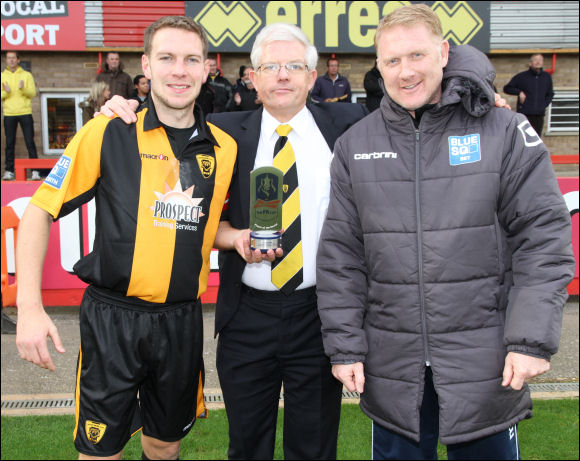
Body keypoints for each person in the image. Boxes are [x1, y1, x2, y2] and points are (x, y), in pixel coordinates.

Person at [100, 26, 509, 460]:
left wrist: (480, 100)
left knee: (314, 447)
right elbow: (188, 197)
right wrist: (123, 105)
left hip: (321, 316)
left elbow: (421, 87)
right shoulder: (218, 134)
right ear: (252, 78)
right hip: (246, 319)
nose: (282, 76)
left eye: (294, 66)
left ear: (312, 77)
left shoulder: (355, 126)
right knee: (246, 446)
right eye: (270, 67)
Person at [316, 5, 575, 461]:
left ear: (443, 52)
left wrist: (529, 340)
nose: (405, 72)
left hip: (487, 366)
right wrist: (344, 347)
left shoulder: (504, 130)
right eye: (391, 61)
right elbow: (341, 258)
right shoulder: (356, 146)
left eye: (416, 55)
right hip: (393, 369)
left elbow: (543, 240)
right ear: (377, 67)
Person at [15, 15, 237, 460]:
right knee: (101, 451)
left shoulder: (223, 147)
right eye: (167, 58)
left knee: (164, 445)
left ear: (207, 67)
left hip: (181, 322)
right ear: (147, 66)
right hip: (113, 320)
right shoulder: (108, 130)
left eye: (191, 59)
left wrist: (236, 239)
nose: (180, 70)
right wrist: (29, 307)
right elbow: (38, 213)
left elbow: (202, 229)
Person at [1, 51, 40, 181]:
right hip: (9, 113)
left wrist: (23, 88)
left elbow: (33, 93)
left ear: (18, 60)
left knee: (30, 142)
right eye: (9, 58)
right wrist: (5, 92)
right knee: (9, 143)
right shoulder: (2, 76)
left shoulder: (26, 75)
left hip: (25, 112)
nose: (11, 60)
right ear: (6, 60)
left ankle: (35, 171)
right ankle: (9, 171)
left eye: (13, 58)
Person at [503, 54, 554, 137]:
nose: (538, 62)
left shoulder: (546, 77)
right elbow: (507, 88)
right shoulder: (522, 77)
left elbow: (550, 93)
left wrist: (543, 105)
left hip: (539, 115)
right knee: (523, 138)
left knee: (537, 138)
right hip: (524, 114)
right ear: (530, 63)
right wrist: (519, 92)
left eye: (540, 60)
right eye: (535, 60)